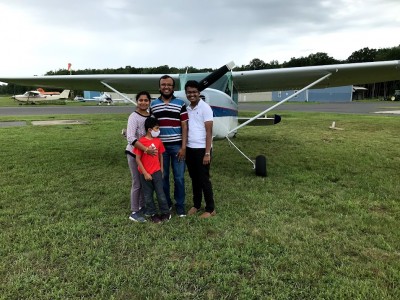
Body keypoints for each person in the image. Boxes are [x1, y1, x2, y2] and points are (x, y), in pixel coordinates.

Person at [150, 75, 188, 217]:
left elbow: (184, 126)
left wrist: (183, 147)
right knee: (163, 176)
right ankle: (167, 203)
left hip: (177, 146)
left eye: (169, 85)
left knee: (179, 177)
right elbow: (151, 126)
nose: (166, 87)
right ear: (159, 87)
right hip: (161, 148)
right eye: (163, 84)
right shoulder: (153, 105)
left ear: (173, 87)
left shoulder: (180, 103)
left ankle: (180, 205)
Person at [184, 80, 216, 218]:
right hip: (190, 148)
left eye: (194, 92)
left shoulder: (205, 108)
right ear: (186, 93)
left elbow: (209, 132)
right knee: (194, 179)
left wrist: (207, 153)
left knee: (204, 179)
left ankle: (210, 209)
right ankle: (196, 205)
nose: (192, 94)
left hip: (202, 149)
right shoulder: (188, 108)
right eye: (189, 92)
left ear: (199, 93)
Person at [125, 91, 156, 223]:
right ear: (137, 101)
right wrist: (145, 149)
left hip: (146, 155)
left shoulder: (151, 116)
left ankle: (142, 207)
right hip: (134, 153)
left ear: (149, 101)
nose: (143, 102)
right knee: (137, 182)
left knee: (145, 182)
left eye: (146, 100)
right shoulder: (133, 116)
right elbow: (130, 137)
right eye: (140, 100)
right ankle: (134, 211)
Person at [134, 117, 170, 223]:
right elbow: (137, 159)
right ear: (150, 130)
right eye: (157, 128)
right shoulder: (141, 142)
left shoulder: (158, 141)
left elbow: (161, 155)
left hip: (157, 172)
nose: (158, 130)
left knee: (161, 194)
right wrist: (145, 173)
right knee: (148, 195)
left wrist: (161, 168)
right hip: (145, 174)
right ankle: (152, 213)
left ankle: (165, 212)